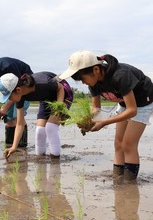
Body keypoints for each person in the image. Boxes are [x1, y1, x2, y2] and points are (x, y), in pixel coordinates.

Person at [58, 50, 153, 183]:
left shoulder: (120, 75)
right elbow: (96, 108)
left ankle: (129, 184)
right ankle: (118, 179)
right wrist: (86, 120)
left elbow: (132, 110)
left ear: (96, 69)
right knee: (118, 143)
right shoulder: (93, 83)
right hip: (125, 103)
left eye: (82, 78)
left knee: (128, 144)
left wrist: (104, 122)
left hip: (143, 102)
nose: (83, 83)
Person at [0, 73, 73, 159]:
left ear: (18, 90)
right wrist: (14, 147)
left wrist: (59, 107)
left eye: (9, 98)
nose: (9, 101)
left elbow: (60, 87)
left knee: (51, 127)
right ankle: (40, 161)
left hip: (62, 93)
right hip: (46, 98)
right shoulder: (20, 96)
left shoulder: (44, 84)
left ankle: (55, 161)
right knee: (39, 131)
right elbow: (20, 124)